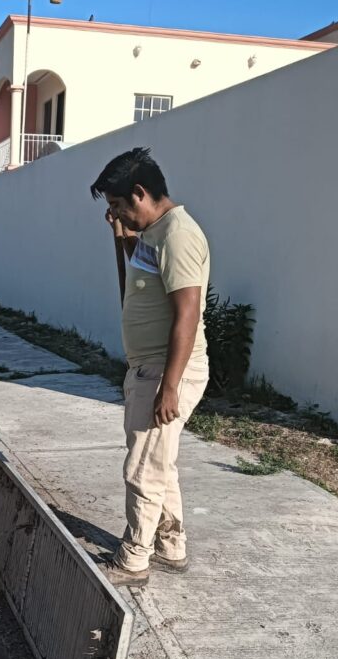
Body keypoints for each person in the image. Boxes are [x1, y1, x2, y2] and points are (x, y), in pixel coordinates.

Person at [91, 146, 210, 586]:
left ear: (140, 193)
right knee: (160, 460)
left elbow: (187, 313)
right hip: (151, 367)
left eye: (120, 204)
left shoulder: (178, 234)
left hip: (165, 370)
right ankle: (170, 544)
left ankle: (134, 558)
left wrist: (170, 387)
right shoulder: (155, 233)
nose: (118, 212)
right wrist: (119, 234)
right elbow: (135, 284)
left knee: (143, 464)